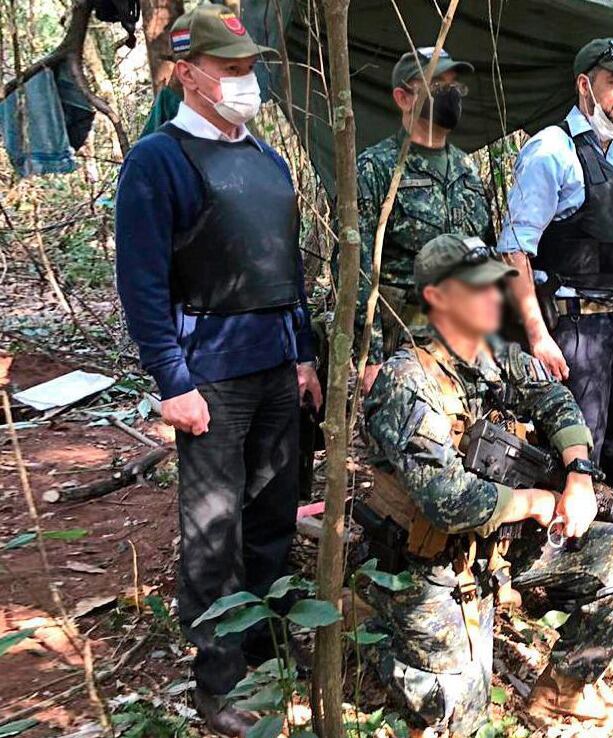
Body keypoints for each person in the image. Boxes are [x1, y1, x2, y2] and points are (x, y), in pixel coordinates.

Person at [114, 5, 321, 735]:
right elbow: (140, 280)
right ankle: (219, 680)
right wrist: (172, 381)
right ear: (186, 73)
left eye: (249, 67)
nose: (246, 80)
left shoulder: (264, 155)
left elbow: (286, 267)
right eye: (231, 69)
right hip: (210, 373)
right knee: (213, 530)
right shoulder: (159, 159)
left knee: (272, 513)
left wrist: (301, 353)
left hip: (273, 366)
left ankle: (264, 648)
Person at [361, 233, 613, 736]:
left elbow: (554, 398)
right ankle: (378, 633)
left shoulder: (493, 354)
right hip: (429, 564)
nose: (494, 298)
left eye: (497, 286)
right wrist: (536, 501)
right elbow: (448, 500)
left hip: (495, 545)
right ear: (436, 298)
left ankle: (564, 690)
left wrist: (579, 472)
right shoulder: (407, 380)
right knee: (459, 713)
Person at [497, 38, 613, 538]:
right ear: (584, 84)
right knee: (571, 454)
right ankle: (555, 563)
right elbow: (515, 250)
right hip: (571, 331)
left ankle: (606, 558)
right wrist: (539, 335)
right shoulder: (552, 152)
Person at [349, 47, 492, 392]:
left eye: (454, 85)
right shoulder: (377, 168)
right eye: (437, 84)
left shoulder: (466, 169)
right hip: (402, 352)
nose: (451, 94)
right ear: (402, 97)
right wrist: (368, 357)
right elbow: (356, 266)